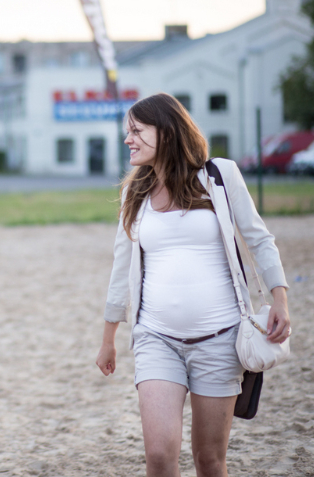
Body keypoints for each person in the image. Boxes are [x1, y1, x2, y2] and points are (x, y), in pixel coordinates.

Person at [96, 93, 291, 477]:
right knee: (159, 456)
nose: (127, 139)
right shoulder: (134, 192)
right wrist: (108, 338)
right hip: (156, 339)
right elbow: (121, 267)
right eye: (127, 131)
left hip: (221, 340)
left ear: (166, 132)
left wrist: (280, 299)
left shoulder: (220, 176)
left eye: (136, 130)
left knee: (209, 460)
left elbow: (259, 240)